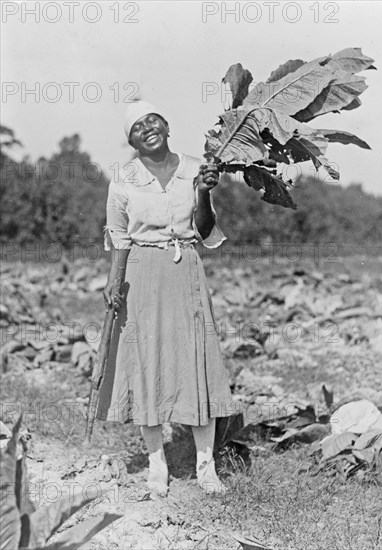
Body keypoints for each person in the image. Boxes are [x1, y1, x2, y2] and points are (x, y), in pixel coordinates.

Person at [96, 100, 238, 497]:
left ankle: (206, 467)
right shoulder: (124, 176)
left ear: (168, 125)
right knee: (147, 365)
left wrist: (204, 193)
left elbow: (205, 229)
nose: (147, 128)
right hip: (141, 272)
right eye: (137, 127)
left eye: (153, 120)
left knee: (196, 360)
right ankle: (157, 464)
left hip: (185, 269)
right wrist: (114, 279)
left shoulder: (196, 168)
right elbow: (119, 232)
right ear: (132, 140)